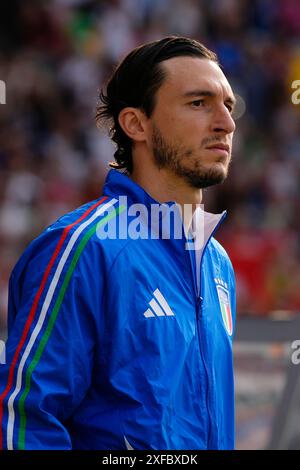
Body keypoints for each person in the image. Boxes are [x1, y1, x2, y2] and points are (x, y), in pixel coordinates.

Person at [0, 36, 236, 450]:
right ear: (136, 124)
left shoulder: (217, 262)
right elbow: (22, 420)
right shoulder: (84, 248)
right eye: (198, 103)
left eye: (228, 106)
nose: (225, 123)